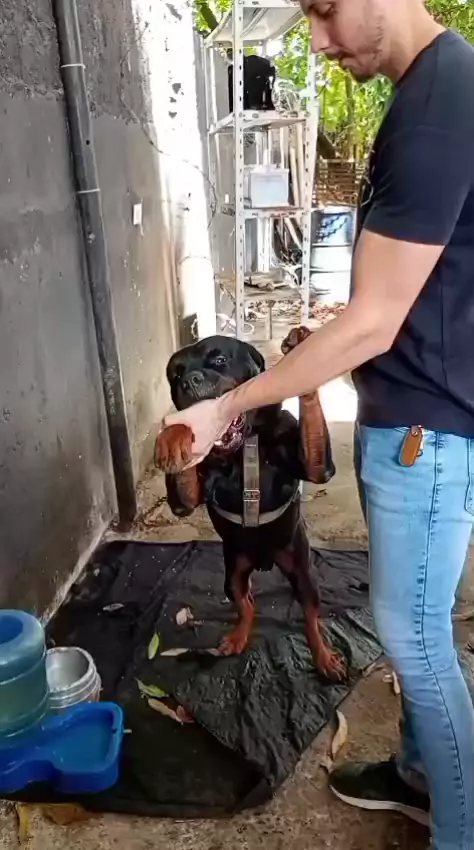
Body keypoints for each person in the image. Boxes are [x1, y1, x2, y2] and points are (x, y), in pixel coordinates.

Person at [162, 1, 474, 847]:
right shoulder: (429, 92)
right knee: (418, 629)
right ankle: (418, 776)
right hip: (414, 415)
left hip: (426, 433)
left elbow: (376, 321)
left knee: (415, 642)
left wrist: (229, 403)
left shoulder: (439, 102)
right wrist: (363, 321)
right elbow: (412, 290)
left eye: (327, 9)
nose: (320, 39)